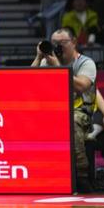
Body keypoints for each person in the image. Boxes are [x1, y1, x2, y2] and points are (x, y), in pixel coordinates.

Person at [32, 28, 97, 192]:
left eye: (62, 43)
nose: (58, 47)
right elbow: (29, 81)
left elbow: (81, 86)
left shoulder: (85, 63)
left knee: (71, 122)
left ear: (73, 42)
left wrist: (58, 68)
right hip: (53, 111)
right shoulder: (47, 62)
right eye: (54, 43)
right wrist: (38, 57)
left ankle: (81, 176)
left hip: (80, 112)